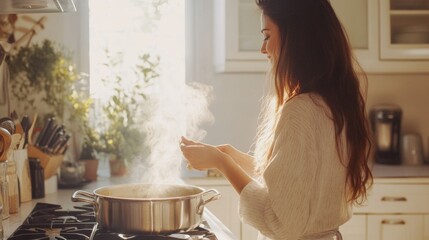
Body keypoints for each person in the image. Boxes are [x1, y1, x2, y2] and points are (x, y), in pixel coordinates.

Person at [180, 0, 373, 239]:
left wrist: (223, 163)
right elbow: (295, 181)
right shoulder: (335, 104)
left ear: (296, 39)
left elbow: (280, 223)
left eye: (267, 36)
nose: (263, 48)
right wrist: (233, 156)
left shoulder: (300, 110)